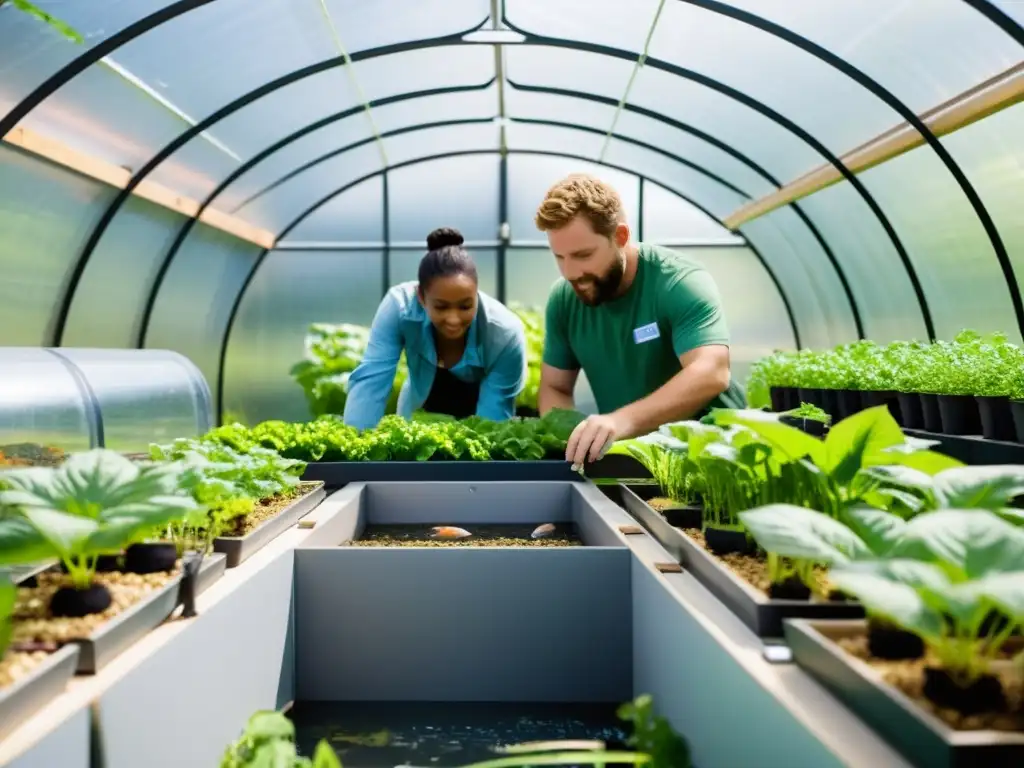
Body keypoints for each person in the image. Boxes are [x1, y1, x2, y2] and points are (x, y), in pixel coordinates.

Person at [534, 174, 744, 466]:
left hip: (714, 458)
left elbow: (712, 371)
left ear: (620, 237)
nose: (570, 272)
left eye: (583, 255)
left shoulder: (678, 283)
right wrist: (575, 437)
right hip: (634, 462)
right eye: (560, 257)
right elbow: (555, 387)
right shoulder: (564, 300)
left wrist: (620, 422)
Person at [343, 227, 527, 430]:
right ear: (421, 297)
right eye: (441, 307)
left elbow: (493, 417)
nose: (453, 319)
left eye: (465, 306)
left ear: (476, 294)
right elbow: (372, 380)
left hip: (480, 410)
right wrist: (355, 445)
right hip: (418, 413)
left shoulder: (504, 333)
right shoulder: (400, 308)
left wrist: (479, 453)